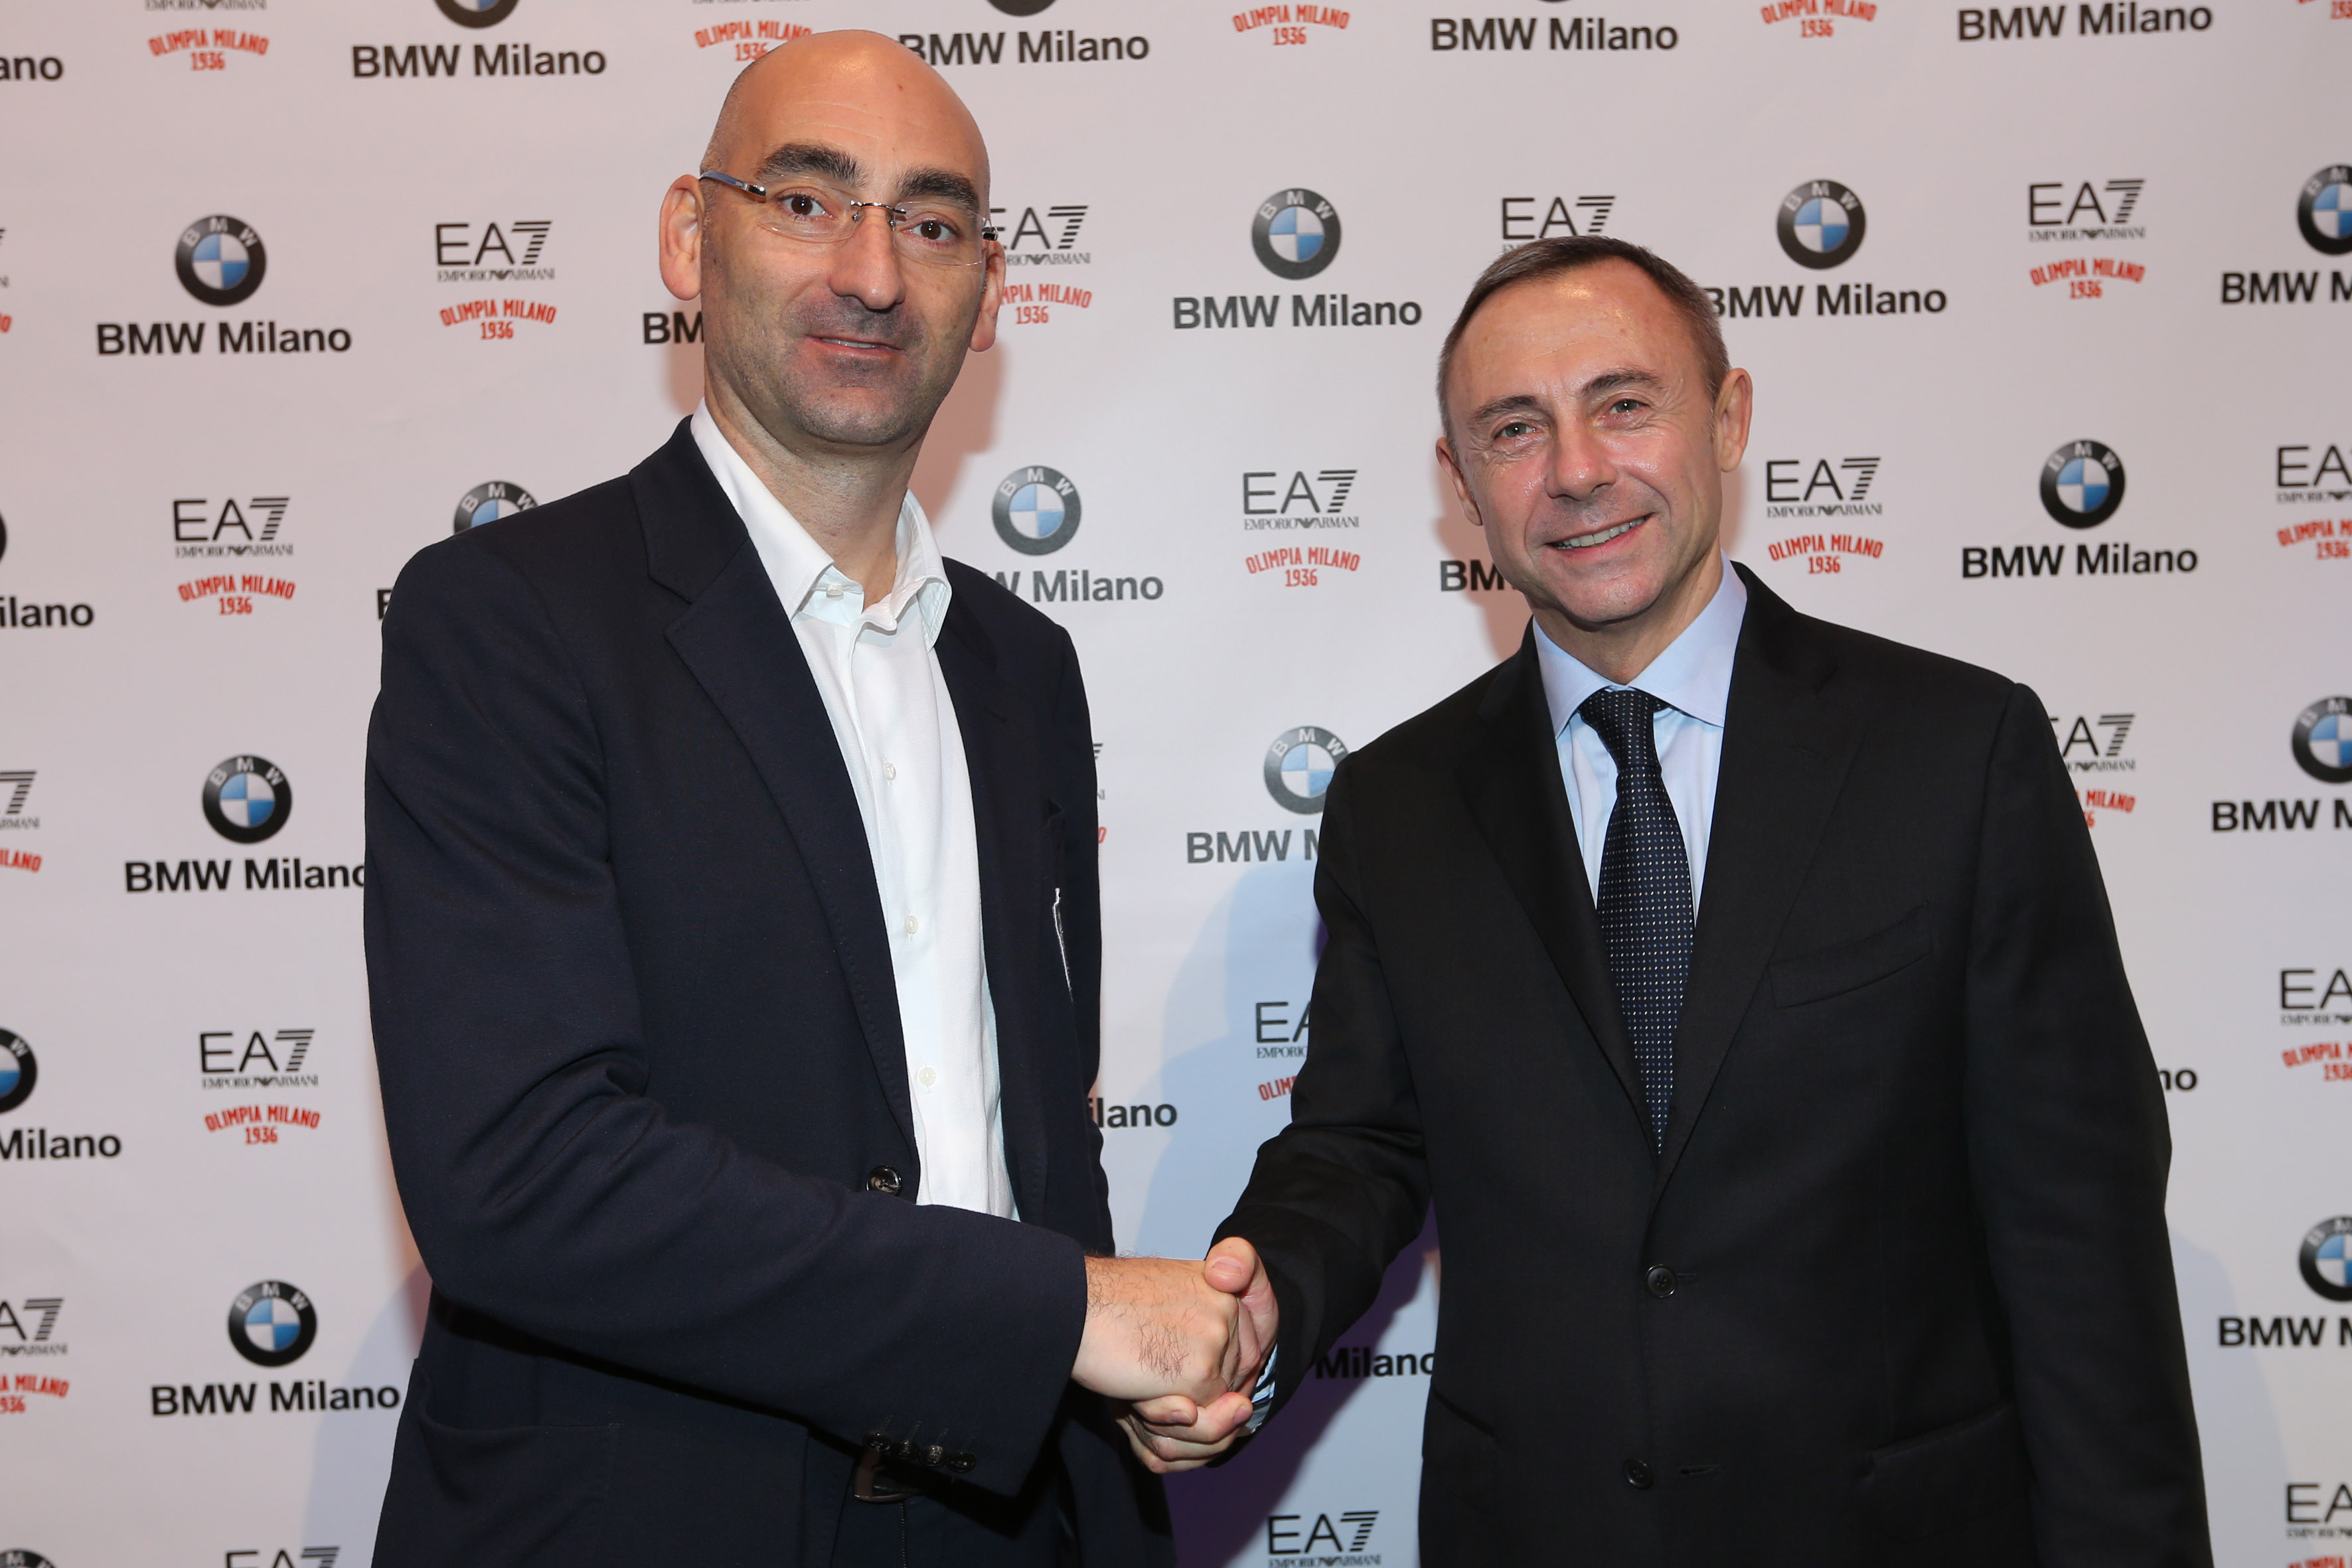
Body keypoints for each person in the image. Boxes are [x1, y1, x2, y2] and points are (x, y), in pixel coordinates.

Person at [1122, 236, 2213, 1567]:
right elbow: (1361, 1143)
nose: (1577, 469)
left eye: (1623, 403)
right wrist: (1259, 1305)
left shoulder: (1954, 753)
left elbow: (2080, 1232)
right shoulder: (1395, 803)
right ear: (1460, 483)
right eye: (1513, 429)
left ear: (1728, 417)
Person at [364, 33, 1260, 1567]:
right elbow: (521, 1173)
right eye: (804, 200)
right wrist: (1060, 1312)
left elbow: (1034, 1147)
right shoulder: (508, 619)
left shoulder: (1021, 666)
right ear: (688, 236)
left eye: (932, 220)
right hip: (652, 1522)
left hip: (1016, 1514)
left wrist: (1122, 1381)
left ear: (988, 288)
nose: (873, 273)